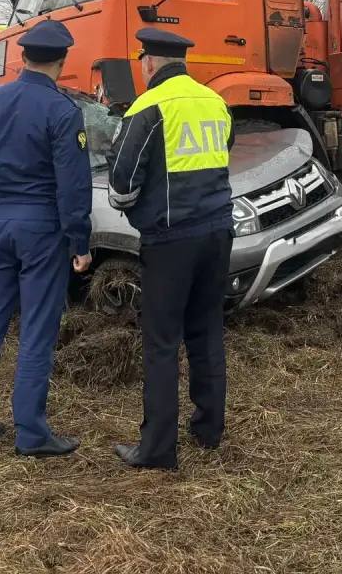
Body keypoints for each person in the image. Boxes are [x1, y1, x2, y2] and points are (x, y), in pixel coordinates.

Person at [0, 19, 93, 458]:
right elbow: (73, 188)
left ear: (23, 57)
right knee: (36, 328)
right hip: (42, 228)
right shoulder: (62, 111)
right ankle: (30, 432)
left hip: (0, 223)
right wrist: (80, 241)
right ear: (62, 60)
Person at [107, 27, 234, 470]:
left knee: (162, 343)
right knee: (207, 330)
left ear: (148, 64)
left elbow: (122, 182)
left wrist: (127, 207)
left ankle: (158, 449)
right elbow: (225, 151)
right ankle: (209, 429)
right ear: (182, 62)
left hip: (170, 238)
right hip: (218, 231)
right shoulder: (214, 101)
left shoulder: (148, 107)